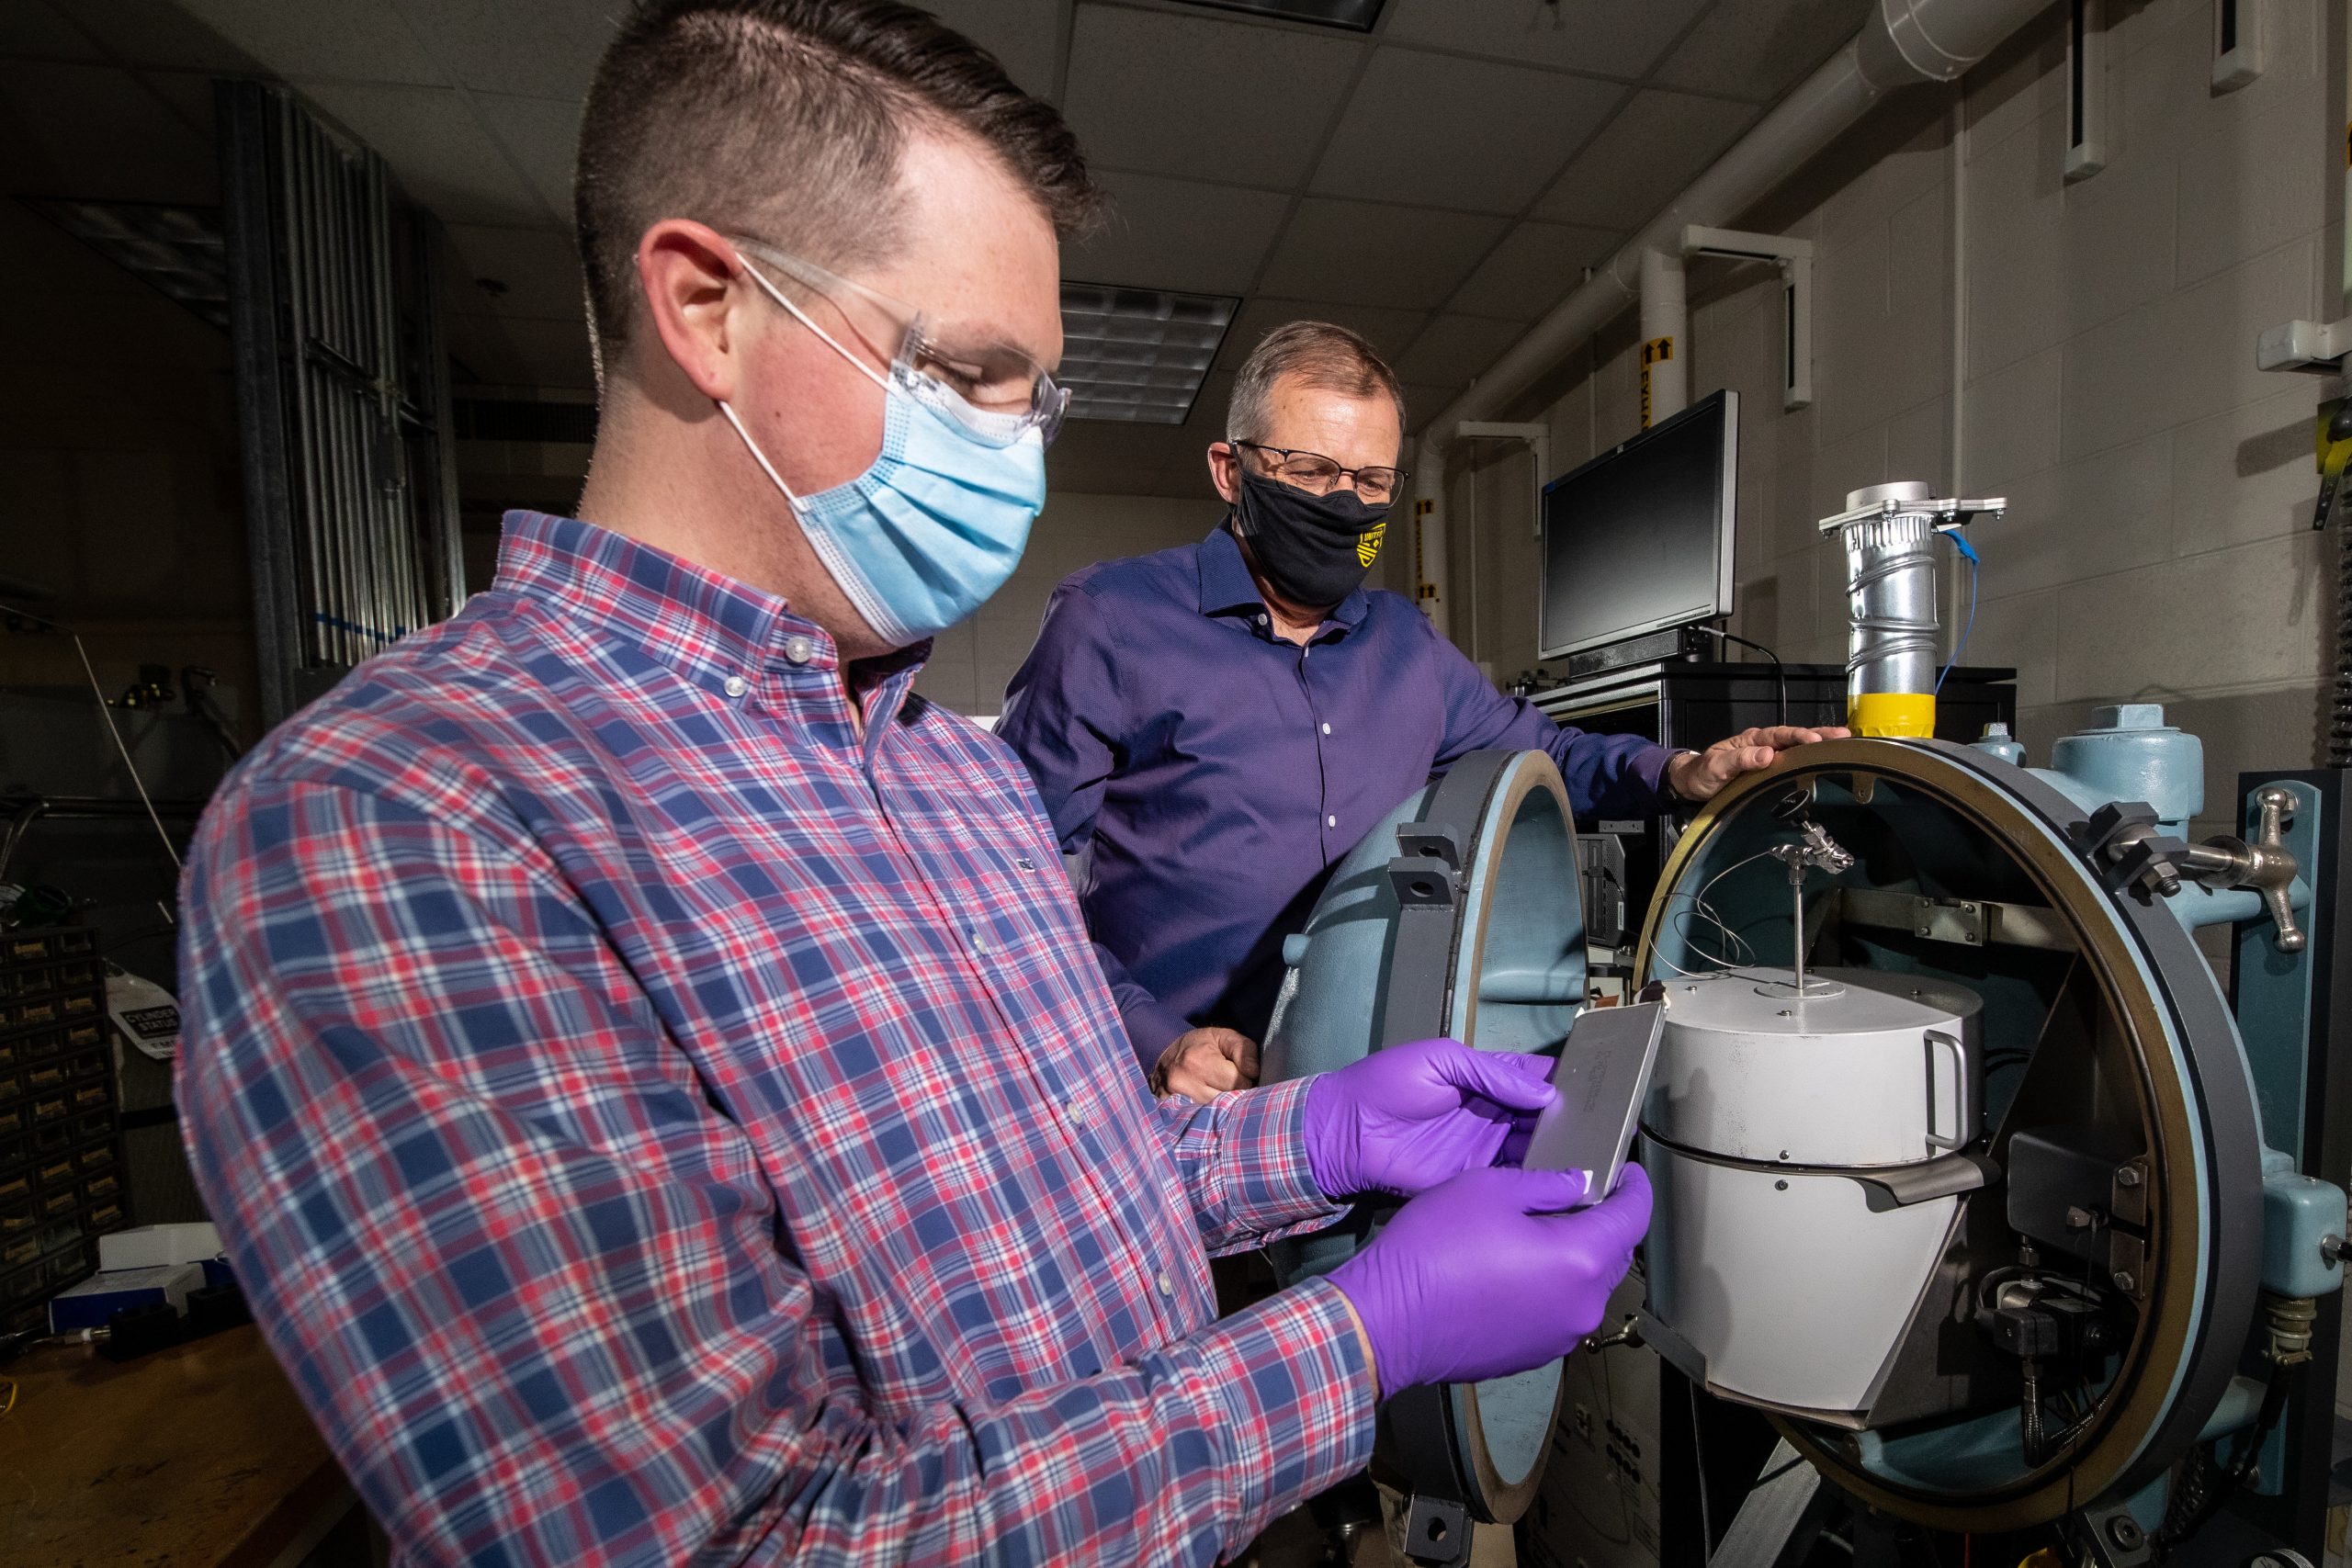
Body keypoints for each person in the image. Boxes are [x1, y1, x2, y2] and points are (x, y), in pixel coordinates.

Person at [172, 5, 1651, 1563]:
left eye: (1036, 396)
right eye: (969, 374)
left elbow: (1056, 1190)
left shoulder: (951, 777)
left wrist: (1320, 1139)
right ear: (705, 304)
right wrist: (1358, 1343)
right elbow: (744, 1541)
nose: (1017, 449)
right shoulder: (409, 823)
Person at [998, 322, 1846, 1099]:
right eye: (1311, 471)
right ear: (1232, 470)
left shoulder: (1404, 645)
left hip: (1364, 1082)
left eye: (1370, 479)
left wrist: (1681, 770)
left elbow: (1545, 754)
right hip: (1180, 1094)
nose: (1343, 502)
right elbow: (1003, 885)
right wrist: (1151, 1040)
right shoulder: (1111, 621)